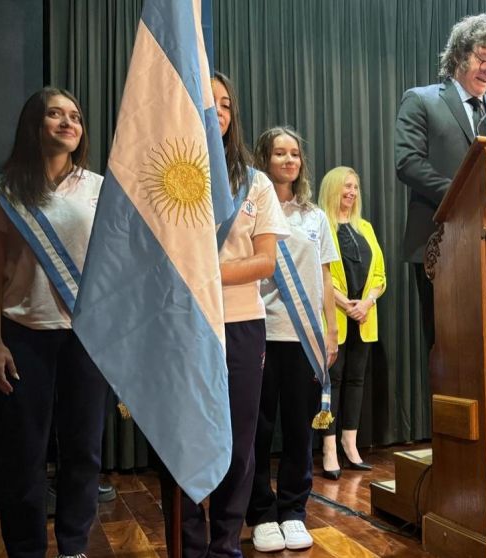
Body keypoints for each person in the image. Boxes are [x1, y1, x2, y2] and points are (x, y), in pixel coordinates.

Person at [0, 87, 107, 558]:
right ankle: (25, 550)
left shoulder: (99, 189)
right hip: (23, 337)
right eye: (55, 114)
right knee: (24, 456)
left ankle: (73, 547)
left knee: (84, 451)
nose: (68, 123)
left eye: (75, 116)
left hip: (86, 338)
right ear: (35, 124)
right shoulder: (2, 191)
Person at [158, 72, 287, 557]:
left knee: (239, 445)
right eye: (208, 103)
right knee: (184, 441)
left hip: (241, 325)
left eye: (226, 104)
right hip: (180, 324)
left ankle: (226, 544)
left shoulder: (254, 183)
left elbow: (265, 262)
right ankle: (189, 545)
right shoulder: (169, 178)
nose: (219, 112)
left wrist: (203, 270)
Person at [395, 13, 486, 351]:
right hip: (439, 246)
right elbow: (407, 163)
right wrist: (461, 197)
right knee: (447, 351)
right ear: (461, 55)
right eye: (483, 59)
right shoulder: (421, 100)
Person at [248, 126, 339, 552]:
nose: (288, 160)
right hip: (261, 332)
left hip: (305, 338)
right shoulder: (251, 209)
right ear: (264, 159)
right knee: (259, 429)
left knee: (300, 431)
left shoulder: (314, 215)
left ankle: (293, 511)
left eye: (294, 154)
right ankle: (261, 514)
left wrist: (331, 331)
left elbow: (323, 277)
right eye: (279, 153)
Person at [316, 166, 387, 479]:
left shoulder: (366, 228)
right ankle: (329, 448)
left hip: (364, 319)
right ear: (333, 189)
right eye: (346, 186)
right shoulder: (321, 227)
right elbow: (319, 275)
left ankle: (350, 444)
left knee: (357, 380)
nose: (352, 193)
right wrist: (345, 305)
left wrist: (368, 302)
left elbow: (381, 276)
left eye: (356, 187)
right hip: (335, 319)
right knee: (333, 381)